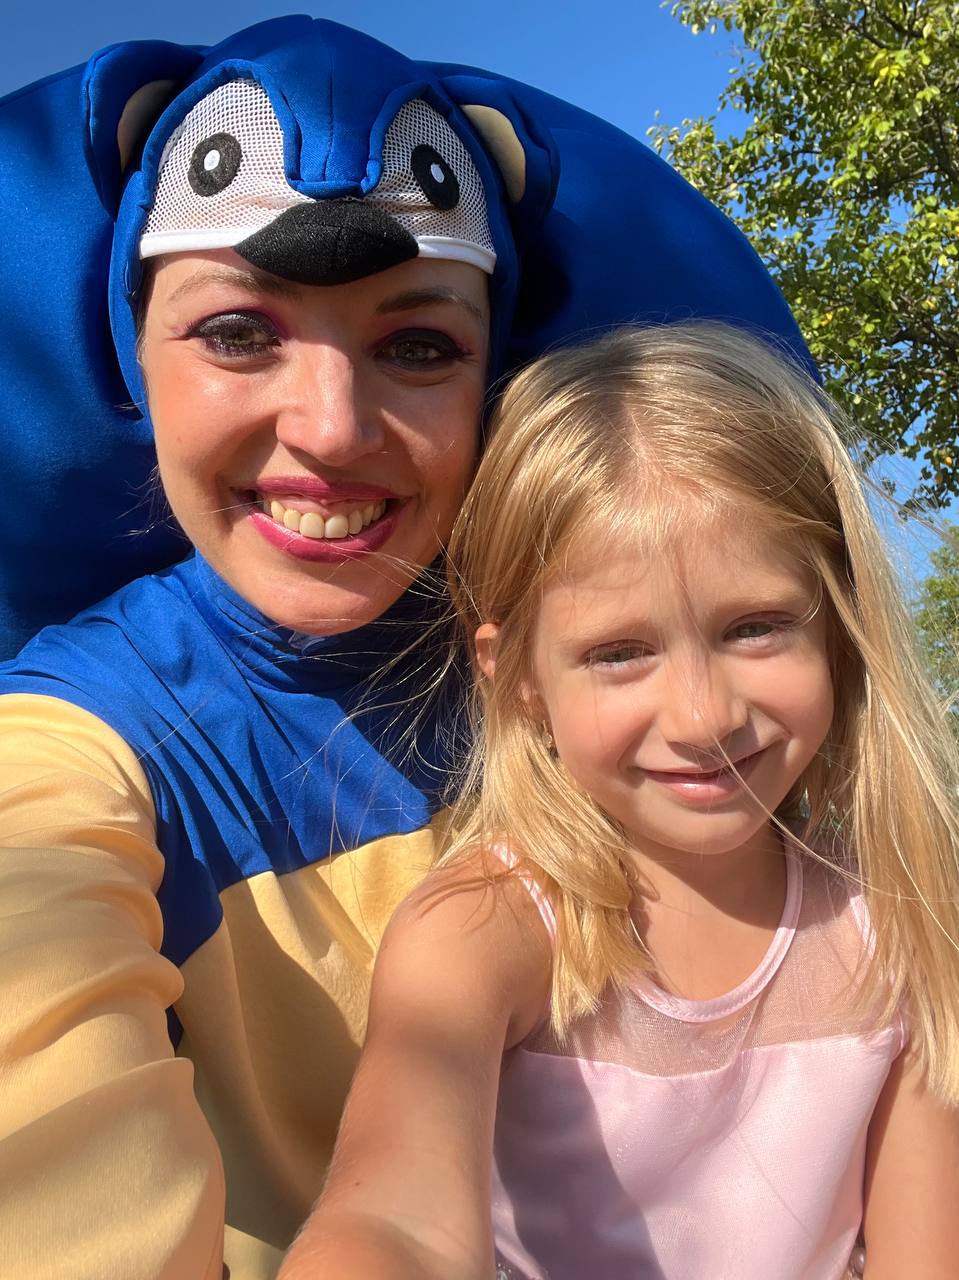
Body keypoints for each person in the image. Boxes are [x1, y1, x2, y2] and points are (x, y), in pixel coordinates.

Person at [0, 17, 815, 1280]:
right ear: (131, 358)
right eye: (236, 333)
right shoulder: (72, 742)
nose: (328, 427)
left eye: (418, 345)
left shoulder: (613, 657)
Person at [283, 323, 959, 1280]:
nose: (700, 715)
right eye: (618, 652)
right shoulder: (488, 930)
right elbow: (393, 1220)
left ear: (838, 629)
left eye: (756, 628)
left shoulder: (900, 920)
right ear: (517, 678)